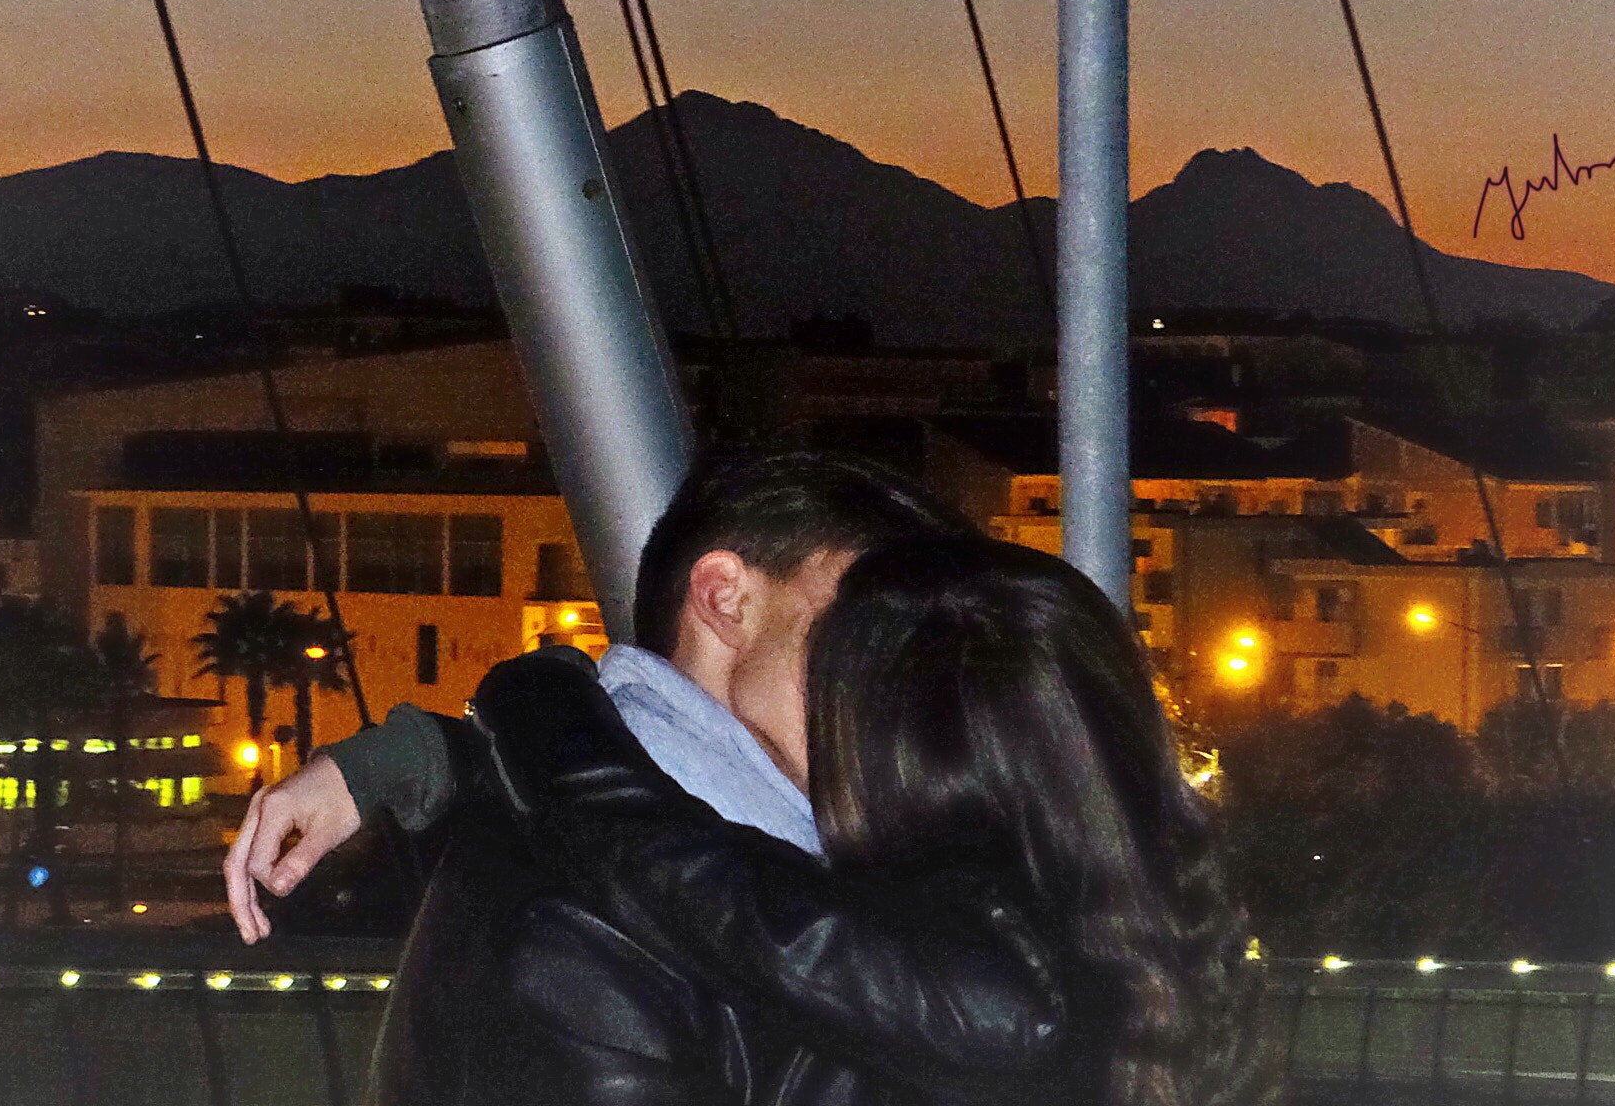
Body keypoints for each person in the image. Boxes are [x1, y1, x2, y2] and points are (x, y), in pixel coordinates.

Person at [471, 533, 1271, 1106]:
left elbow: (672, 865)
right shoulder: (1138, 924)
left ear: (893, 755)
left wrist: (537, 698)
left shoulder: (990, 992)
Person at [223, 448, 966, 939]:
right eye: (868, 616)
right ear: (725, 599)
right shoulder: (598, 899)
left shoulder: (642, 836)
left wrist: (416, 758)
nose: (903, 663)